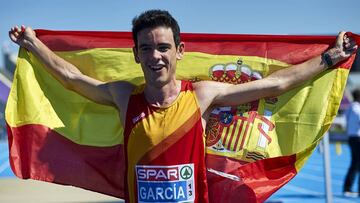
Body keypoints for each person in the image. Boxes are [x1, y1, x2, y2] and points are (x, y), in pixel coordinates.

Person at [9, 9, 357, 203]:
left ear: (180, 50)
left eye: (162, 47)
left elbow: (274, 83)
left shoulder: (201, 95)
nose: (155, 56)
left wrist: (330, 58)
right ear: (135, 54)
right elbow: (72, 77)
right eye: (145, 48)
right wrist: (34, 44)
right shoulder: (122, 96)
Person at [344, 89, 360, 198]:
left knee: (355, 164)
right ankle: (350, 188)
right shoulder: (356, 108)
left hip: (352, 138)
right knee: (356, 164)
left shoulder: (350, 108)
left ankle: (348, 188)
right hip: (357, 138)